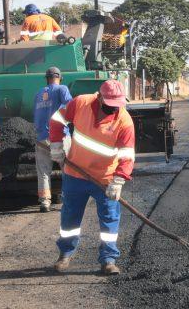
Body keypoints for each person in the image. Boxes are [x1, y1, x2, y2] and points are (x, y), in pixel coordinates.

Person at [49, 80, 135, 275]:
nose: (114, 109)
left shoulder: (125, 121)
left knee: (109, 219)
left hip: (105, 179)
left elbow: (127, 156)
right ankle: (65, 254)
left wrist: (118, 180)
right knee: (70, 218)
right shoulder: (81, 103)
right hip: (75, 174)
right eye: (110, 104)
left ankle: (108, 259)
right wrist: (56, 147)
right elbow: (56, 119)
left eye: (117, 105)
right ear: (100, 98)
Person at [33, 67, 72, 212]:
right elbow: (71, 107)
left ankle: (44, 202)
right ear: (60, 77)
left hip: (41, 138)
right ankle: (68, 199)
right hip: (59, 137)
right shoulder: (62, 89)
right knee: (67, 169)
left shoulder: (38, 93)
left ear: (46, 79)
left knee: (43, 172)